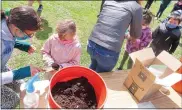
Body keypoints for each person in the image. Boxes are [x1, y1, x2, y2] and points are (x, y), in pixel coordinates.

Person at [1, 6, 42, 109]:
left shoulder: (8, 26)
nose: (29, 38)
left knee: (23, 86)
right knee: (12, 100)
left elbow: (9, 40)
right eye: (28, 35)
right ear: (16, 28)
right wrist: (20, 73)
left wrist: (22, 45)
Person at [87, 0, 143, 73]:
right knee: (102, 77)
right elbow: (136, 35)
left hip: (92, 43)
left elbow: (102, 16)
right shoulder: (136, 7)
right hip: (108, 51)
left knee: (92, 68)